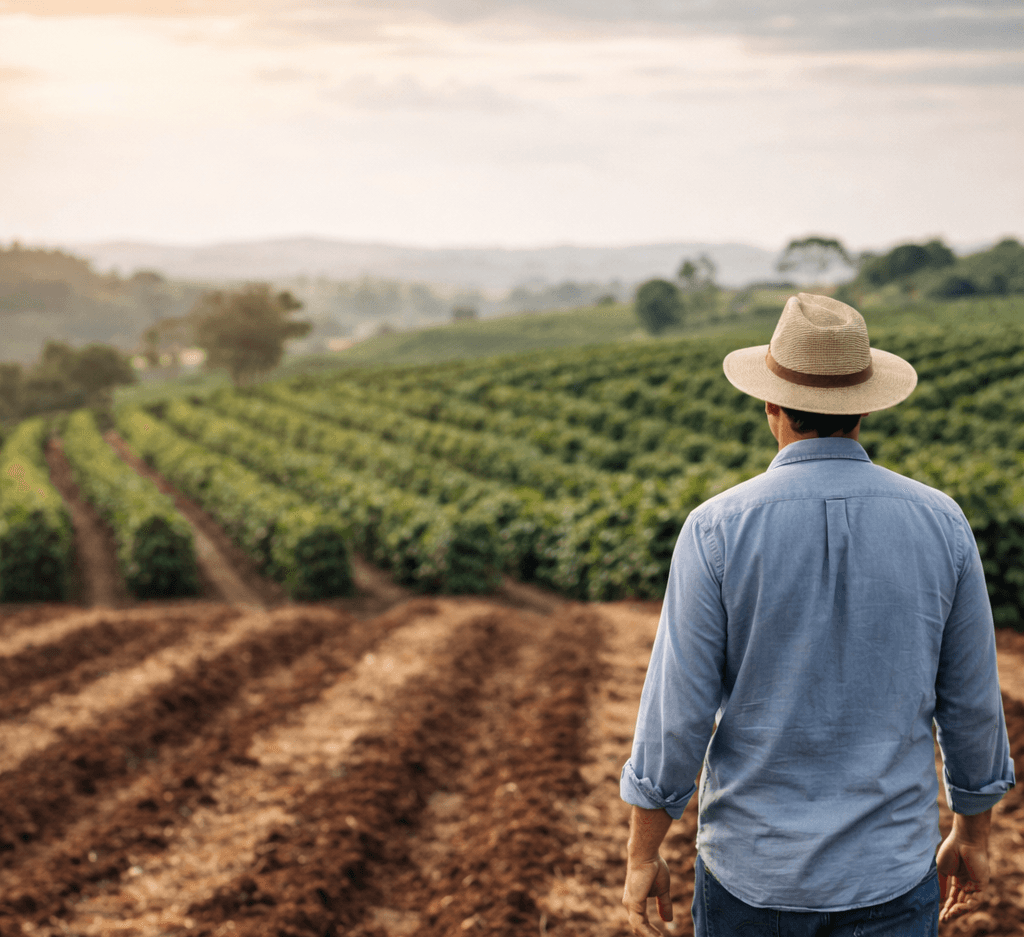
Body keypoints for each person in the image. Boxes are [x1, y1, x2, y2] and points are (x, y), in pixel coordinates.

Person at [620, 293, 1015, 936]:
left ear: (770, 404)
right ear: (864, 406)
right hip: (890, 872)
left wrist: (643, 850)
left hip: (751, 876)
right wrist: (974, 830)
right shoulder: (942, 522)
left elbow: (677, 712)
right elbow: (971, 700)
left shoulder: (716, 528)